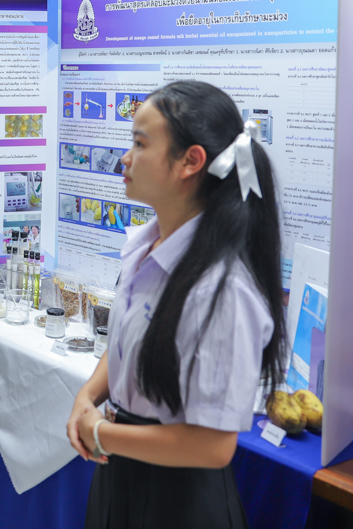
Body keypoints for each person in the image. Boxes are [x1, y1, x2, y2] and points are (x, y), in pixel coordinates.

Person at [66, 80, 288, 529]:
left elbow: (213, 446)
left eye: (140, 144)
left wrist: (102, 432)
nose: (124, 158)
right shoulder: (144, 247)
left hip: (178, 498)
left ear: (191, 161)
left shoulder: (222, 289)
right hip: (120, 471)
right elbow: (132, 339)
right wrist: (88, 396)